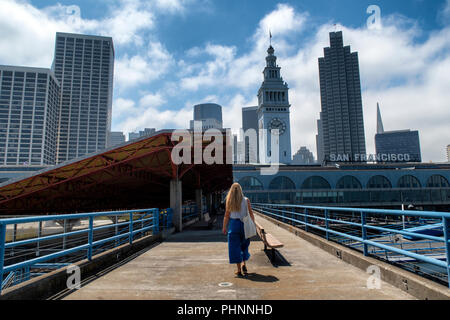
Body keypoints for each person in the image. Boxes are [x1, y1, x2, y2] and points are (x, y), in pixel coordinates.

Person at [222, 182, 255, 277]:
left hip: (233, 225)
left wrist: (224, 227)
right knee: (244, 245)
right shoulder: (246, 200)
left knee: (235, 247)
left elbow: (226, 216)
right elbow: (251, 214)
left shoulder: (229, 200)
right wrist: (252, 224)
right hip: (244, 225)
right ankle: (244, 263)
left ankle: (239, 269)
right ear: (240, 190)